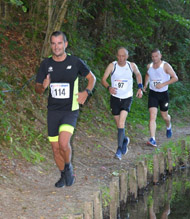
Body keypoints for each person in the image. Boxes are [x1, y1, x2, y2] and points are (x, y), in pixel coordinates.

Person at [35, 31, 96, 188]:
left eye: (59, 43)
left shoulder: (75, 62)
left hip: (70, 110)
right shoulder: (46, 64)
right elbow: (37, 89)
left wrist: (86, 92)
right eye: (53, 43)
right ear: (51, 45)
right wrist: (43, 86)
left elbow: (92, 78)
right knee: (55, 149)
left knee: (63, 143)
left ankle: (68, 167)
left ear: (65, 44)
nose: (56, 47)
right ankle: (63, 174)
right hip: (53, 111)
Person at [101, 47, 143, 160]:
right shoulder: (112, 66)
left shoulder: (131, 65)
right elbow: (103, 79)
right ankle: (124, 140)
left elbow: (138, 75)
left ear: (127, 56)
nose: (120, 58)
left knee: (121, 123)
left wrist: (140, 87)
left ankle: (119, 150)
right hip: (115, 98)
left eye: (123, 56)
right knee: (119, 124)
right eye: (119, 56)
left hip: (127, 97)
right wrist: (108, 87)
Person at [143, 48, 178, 147]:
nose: (154, 58)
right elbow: (147, 74)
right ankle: (152, 139)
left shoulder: (165, 66)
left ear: (160, 56)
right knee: (152, 116)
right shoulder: (149, 66)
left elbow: (175, 77)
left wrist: (163, 84)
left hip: (163, 94)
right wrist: (145, 85)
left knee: (165, 116)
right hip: (153, 94)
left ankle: (168, 126)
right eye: (153, 57)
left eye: (156, 56)